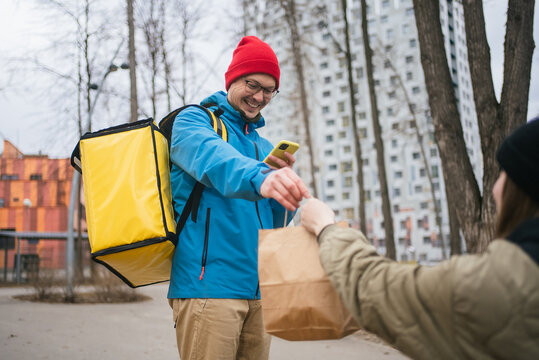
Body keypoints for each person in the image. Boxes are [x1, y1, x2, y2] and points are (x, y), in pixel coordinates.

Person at [301, 118, 539, 360]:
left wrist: (325, 227)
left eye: (504, 174)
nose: (495, 188)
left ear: (522, 192)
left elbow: (375, 288)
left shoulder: (495, 284)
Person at [167, 36, 310, 360]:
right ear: (232, 79)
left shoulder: (263, 147)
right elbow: (217, 161)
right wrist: (263, 177)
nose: (259, 96)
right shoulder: (194, 122)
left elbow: (272, 225)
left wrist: (284, 191)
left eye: (269, 90)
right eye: (252, 84)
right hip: (209, 287)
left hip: (258, 292)